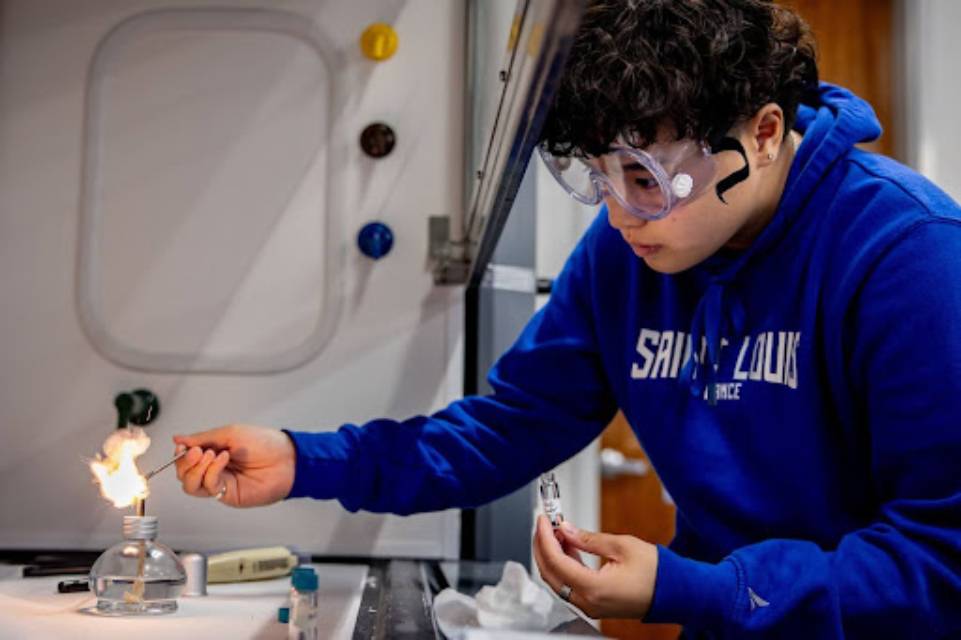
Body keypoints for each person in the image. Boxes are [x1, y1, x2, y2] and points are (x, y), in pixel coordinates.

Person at [173, 1, 961, 637]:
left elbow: (940, 562)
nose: (619, 214)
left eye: (645, 177)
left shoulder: (908, 256)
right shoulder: (629, 251)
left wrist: (694, 588)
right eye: (597, 176)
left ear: (758, 133)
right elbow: (507, 427)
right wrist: (303, 460)